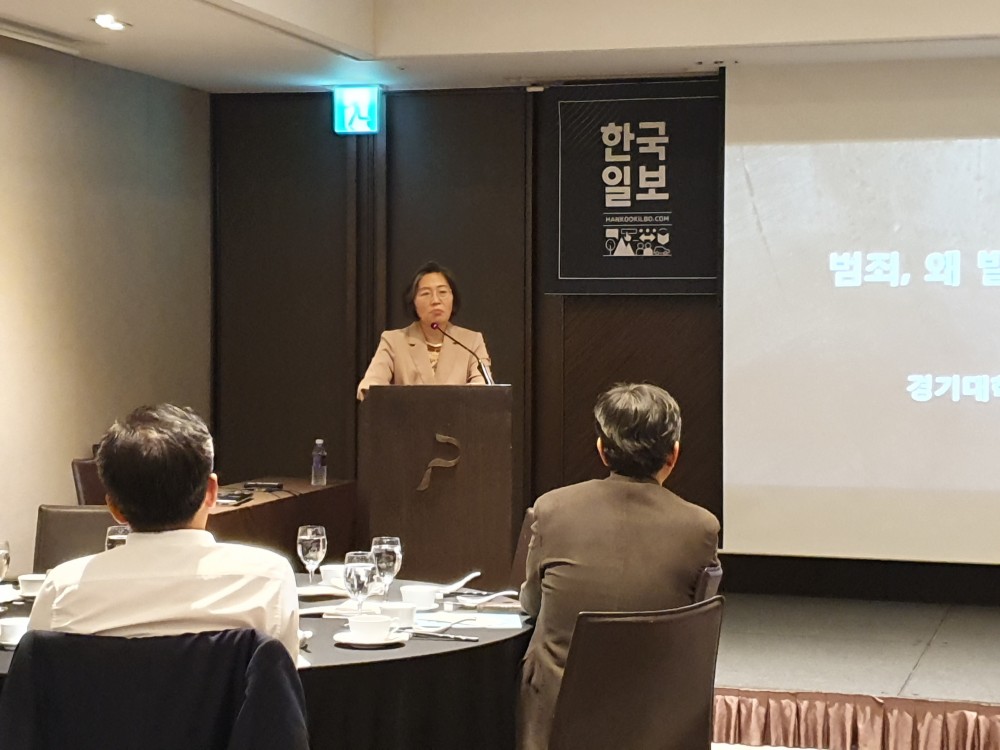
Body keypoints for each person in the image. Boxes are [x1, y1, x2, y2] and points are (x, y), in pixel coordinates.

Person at [517, 383, 720, 750]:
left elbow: (531, 605)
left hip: (555, 722)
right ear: (674, 454)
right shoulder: (701, 528)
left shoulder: (552, 509)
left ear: (602, 450)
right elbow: (691, 635)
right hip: (655, 722)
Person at [28, 404, 300, 659]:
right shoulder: (268, 579)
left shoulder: (63, 589)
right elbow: (282, 680)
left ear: (114, 508)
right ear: (211, 492)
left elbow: (37, 684)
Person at [356, 261, 492, 400]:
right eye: (426, 293)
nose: (435, 300)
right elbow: (369, 386)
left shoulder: (471, 341)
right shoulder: (394, 341)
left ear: (453, 297)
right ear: (413, 301)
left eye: (442, 292)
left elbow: (484, 389)